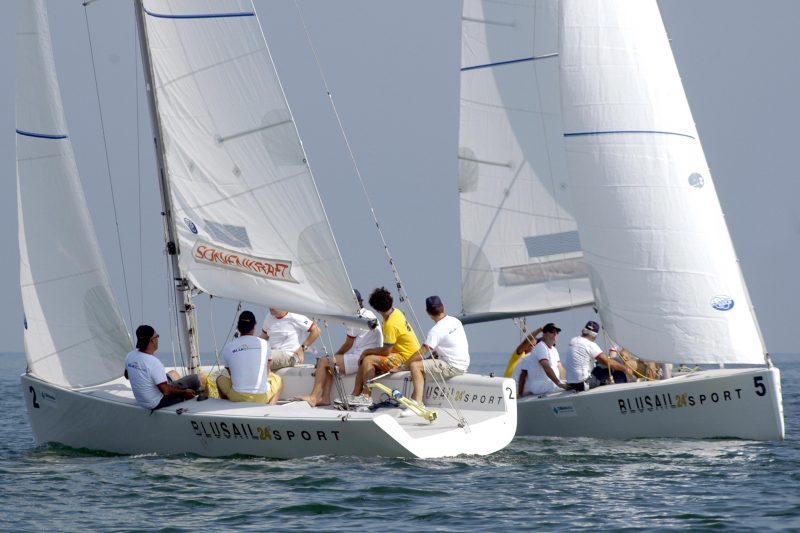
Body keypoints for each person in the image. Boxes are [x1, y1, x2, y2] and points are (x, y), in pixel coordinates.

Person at [297, 290, 383, 407]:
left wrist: (332, 358)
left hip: (361, 358)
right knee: (329, 364)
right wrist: (333, 359)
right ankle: (325, 398)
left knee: (323, 361)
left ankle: (313, 397)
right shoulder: (369, 314)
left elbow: (348, 344)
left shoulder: (357, 318)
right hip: (367, 356)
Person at [349, 287, 421, 399]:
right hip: (409, 353)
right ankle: (354, 395)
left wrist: (367, 351)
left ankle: (366, 396)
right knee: (367, 359)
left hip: (406, 357)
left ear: (377, 310)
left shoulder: (390, 324)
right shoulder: (396, 312)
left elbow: (386, 351)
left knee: (368, 359)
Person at [403, 296, 469, 412]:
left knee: (415, 366)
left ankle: (417, 403)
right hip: (463, 364)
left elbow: (420, 353)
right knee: (422, 364)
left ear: (428, 312)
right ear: (443, 307)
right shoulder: (455, 321)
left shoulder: (436, 330)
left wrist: (403, 366)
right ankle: (415, 397)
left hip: (453, 367)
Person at [124, 325, 201, 410]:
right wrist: (184, 392)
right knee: (194, 379)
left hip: (141, 401)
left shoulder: (130, 355)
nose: (158, 339)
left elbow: (127, 375)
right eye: (157, 336)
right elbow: (166, 391)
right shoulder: (154, 362)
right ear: (152, 340)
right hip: (157, 402)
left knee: (172, 373)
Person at [218, 310, 282, 404]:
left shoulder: (229, 347)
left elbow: (231, 374)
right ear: (254, 326)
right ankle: (270, 406)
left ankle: (226, 405)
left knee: (219, 379)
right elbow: (268, 370)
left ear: (238, 327)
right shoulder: (265, 344)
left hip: (237, 397)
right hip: (261, 398)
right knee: (279, 380)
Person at [563, 320, 635, 391]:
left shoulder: (573, 340)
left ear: (583, 331)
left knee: (599, 365)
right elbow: (608, 362)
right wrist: (626, 369)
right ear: (595, 336)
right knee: (616, 362)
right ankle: (621, 389)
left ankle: (606, 384)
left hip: (572, 383)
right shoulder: (590, 344)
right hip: (583, 384)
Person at [517, 322, 567, 396]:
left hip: (550, 384)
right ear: (544, 334)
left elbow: (560, 368)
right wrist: (559, 383)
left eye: (557, 332)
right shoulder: (541, 347)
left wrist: (567, 380)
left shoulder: (554, 350)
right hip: (539, 386)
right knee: (567, 386)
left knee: (572, 383)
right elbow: (546, 366)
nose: (555, 334)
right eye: (552, 332)